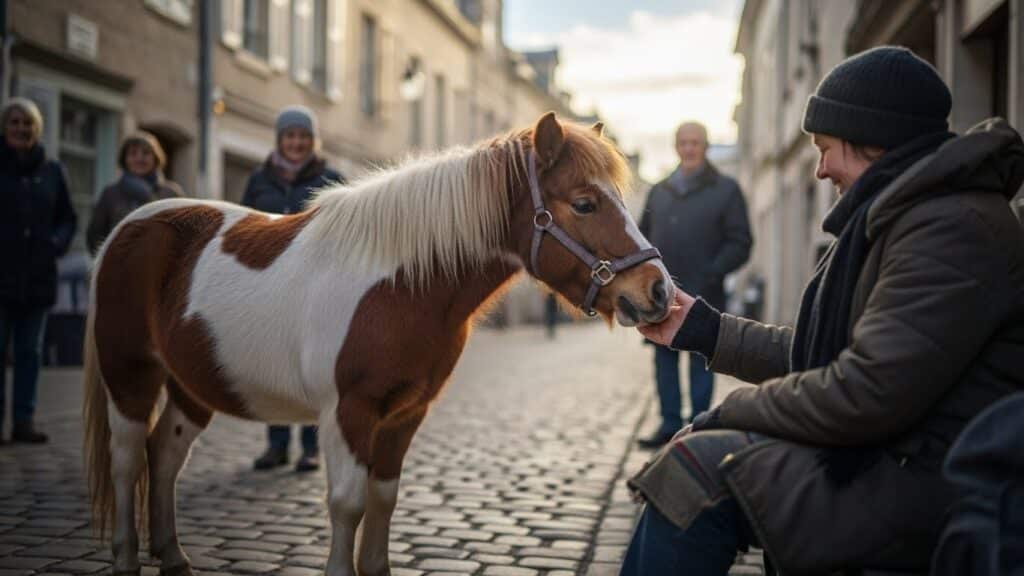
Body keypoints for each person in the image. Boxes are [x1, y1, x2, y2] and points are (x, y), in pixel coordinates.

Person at [622, 46, 1024, 576]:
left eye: (825, 147)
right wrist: (707, 330)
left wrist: (723, 413)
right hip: (895, 455)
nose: (820, 169)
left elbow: (862, 391)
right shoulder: (915, 215)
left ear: (872, 139)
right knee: (701, 463)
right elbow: (828, 355)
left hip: (933, 479)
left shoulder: (950, 228)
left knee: (695, 471)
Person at [635, 121, 751, 449]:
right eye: (683, 143)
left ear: (705, 146)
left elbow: (741, 241)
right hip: (661, 296)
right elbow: (641, 241)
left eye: (695, 142)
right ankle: (669, 424)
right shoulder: (659, 192)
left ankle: (699, 426)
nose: (689, 148)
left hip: (705, 294)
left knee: (702, 360)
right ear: (675, 146)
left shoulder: (726, 190)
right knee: (663, 360)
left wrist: (712, 272)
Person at [244, 105, 344, 473]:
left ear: (312, 140)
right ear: (280, 140)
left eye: (303, 136)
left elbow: (342, 232)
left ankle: (310, 448)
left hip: (313, 285)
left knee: (311, 369)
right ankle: (276, 445)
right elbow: (245, 226)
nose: (296, 143)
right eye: (290, 136)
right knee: (273, 366)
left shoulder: (330, 177)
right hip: (268, 282)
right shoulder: (259, 180)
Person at [0, 98, 77, 444]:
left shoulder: (53, 171)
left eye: (27, 123)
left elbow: (67, 218)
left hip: (38, 276)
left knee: (30, 352)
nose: (21, 128)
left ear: (37, 129)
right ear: (5, 127)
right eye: (15, 122)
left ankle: (24, 421)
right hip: (2, 274)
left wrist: (55, 244)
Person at [86, 131, 183, 255]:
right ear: (125, 159)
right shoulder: (110, 194)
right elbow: (94, 236)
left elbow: (183, 235)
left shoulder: (171, 193)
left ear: (155, 158)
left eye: (146, 153)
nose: (139, 158)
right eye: (133, 153)